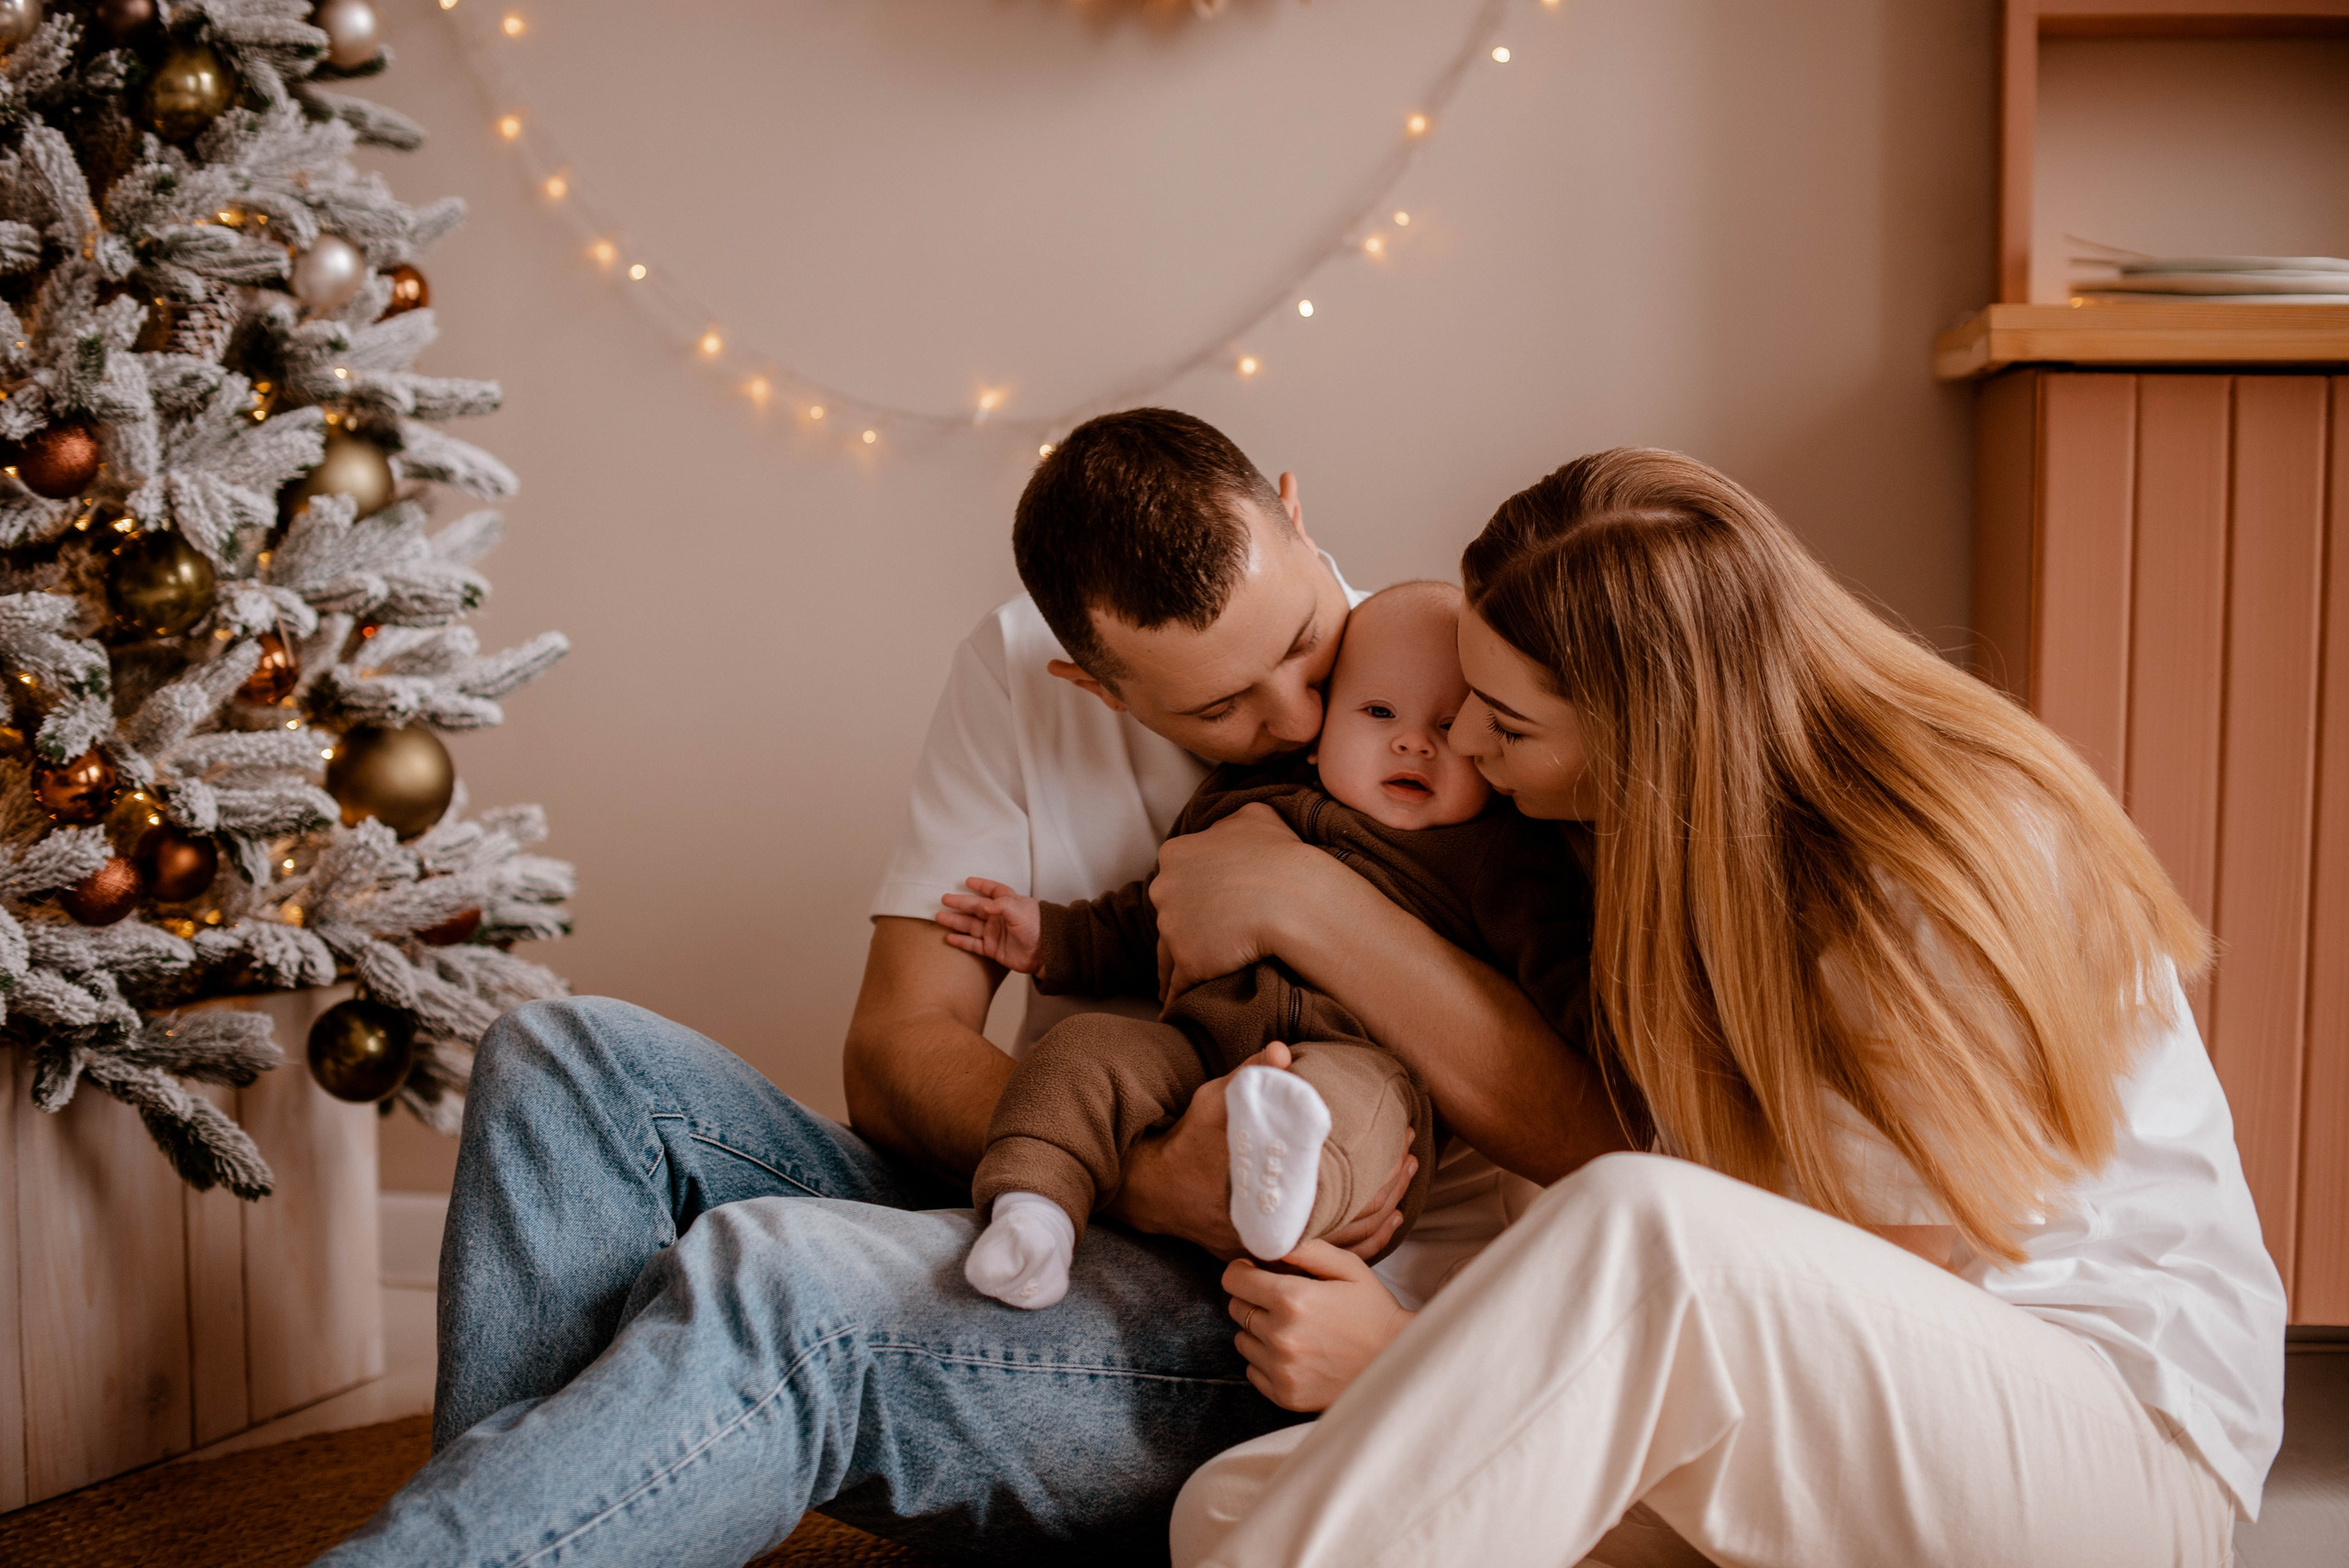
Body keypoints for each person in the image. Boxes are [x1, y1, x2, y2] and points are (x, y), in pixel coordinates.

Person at [317, 409, 1627, 1565]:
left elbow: (1604, 1126)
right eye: (1221, 711)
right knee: (561, 1059)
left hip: (1277, 1316)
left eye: (1299, 642)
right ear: (1094, 684)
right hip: (1048, 1203)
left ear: (1292, 510)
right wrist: (1140, 1170)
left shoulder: (1451, 662)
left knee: (784, 1281)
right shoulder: (1015, 672)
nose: (1294, 715)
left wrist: (1302, 899)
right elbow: (895, 1049)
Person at [1165, 449, 2287, 1568]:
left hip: (2100, 1442)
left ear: (1644, 736)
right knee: (1230, 1505)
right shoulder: (1657, 852)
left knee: (1649, 1232)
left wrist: (1415, 1356)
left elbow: (1864, 1271)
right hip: (1821, 1426)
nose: (1461, 743)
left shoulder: (1933, 856)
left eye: (1505, 726)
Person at [941, 582, 1593, 1308]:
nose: (1415, 742)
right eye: (1379, 713)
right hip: (1197, 1044)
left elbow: (1561, 967)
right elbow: (1151, 913)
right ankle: (1034, 1214)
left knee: (1359, 1121)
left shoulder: (1497, 857)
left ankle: (1285, 1202)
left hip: (1362, 1060)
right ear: (1318, 738)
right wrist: (1052, 938)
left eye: (1450, 723)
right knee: (1077, 1051)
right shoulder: (1242, 801)